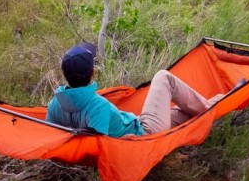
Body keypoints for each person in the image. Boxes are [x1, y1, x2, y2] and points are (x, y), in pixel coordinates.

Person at [46, 42, 223, 136]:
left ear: (64, 74)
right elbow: (101, 146)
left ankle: (220, 100)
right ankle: (217, 104)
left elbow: (52, 135)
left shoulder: (55, 104)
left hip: (137, 124)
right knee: (163, 77)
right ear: (92, 73)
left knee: (186, 114)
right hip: (146, 134)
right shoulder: (96, 106)